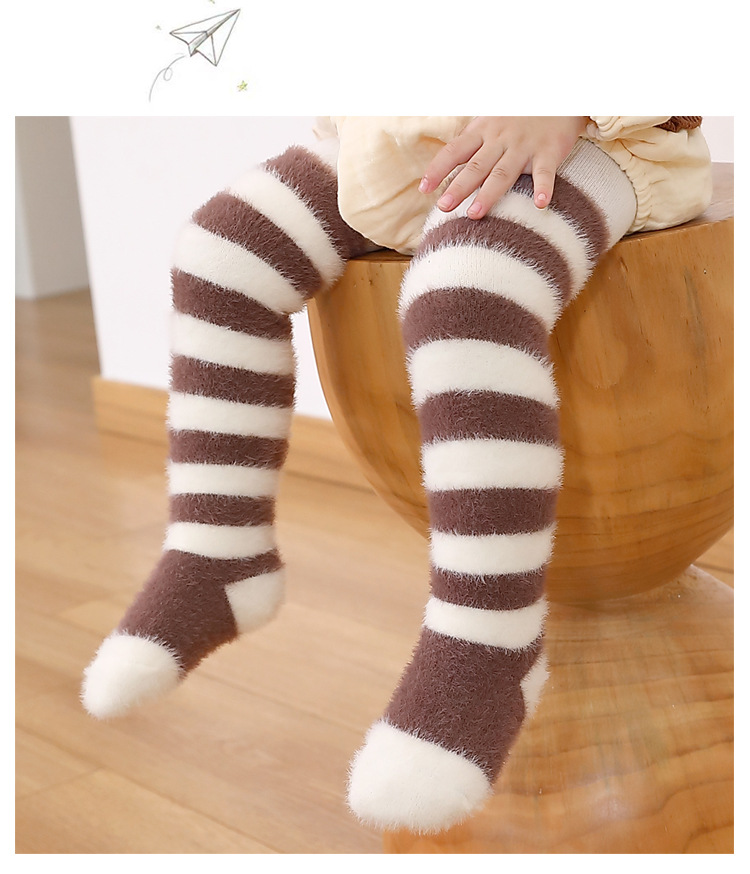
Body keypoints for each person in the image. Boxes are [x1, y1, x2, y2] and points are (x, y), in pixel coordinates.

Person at [81, 116, 712, 834]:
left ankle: (489, 640)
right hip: (419, 139)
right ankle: (216, 550)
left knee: (469, 291)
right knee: (221, 252)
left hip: (591, 140)